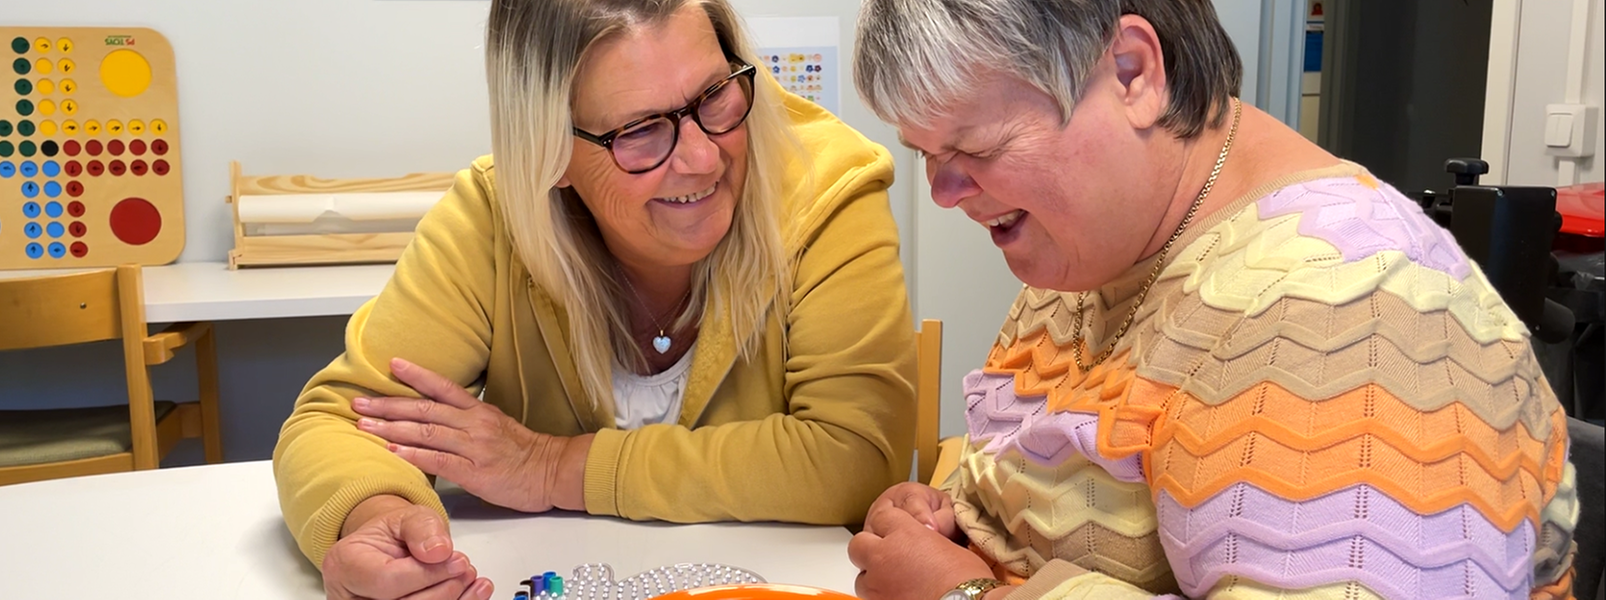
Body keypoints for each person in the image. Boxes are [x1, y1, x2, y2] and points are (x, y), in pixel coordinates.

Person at [847, 1, 1577, 599]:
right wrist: (943, 523)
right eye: (927, 156)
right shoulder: (1100, 249)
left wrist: (963, 595)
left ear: (1132, 72)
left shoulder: (1349, 310)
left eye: (975, 147)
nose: (943, 195)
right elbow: (1027, 483)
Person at [272, 0, 919, 598]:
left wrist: (554, 467)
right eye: (640, 130)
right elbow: (336, 422)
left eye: (715, 95)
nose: (701, 158)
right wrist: (376, 520)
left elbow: (851, 458)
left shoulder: (828, 187)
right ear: (549, 150)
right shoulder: (492, 215)